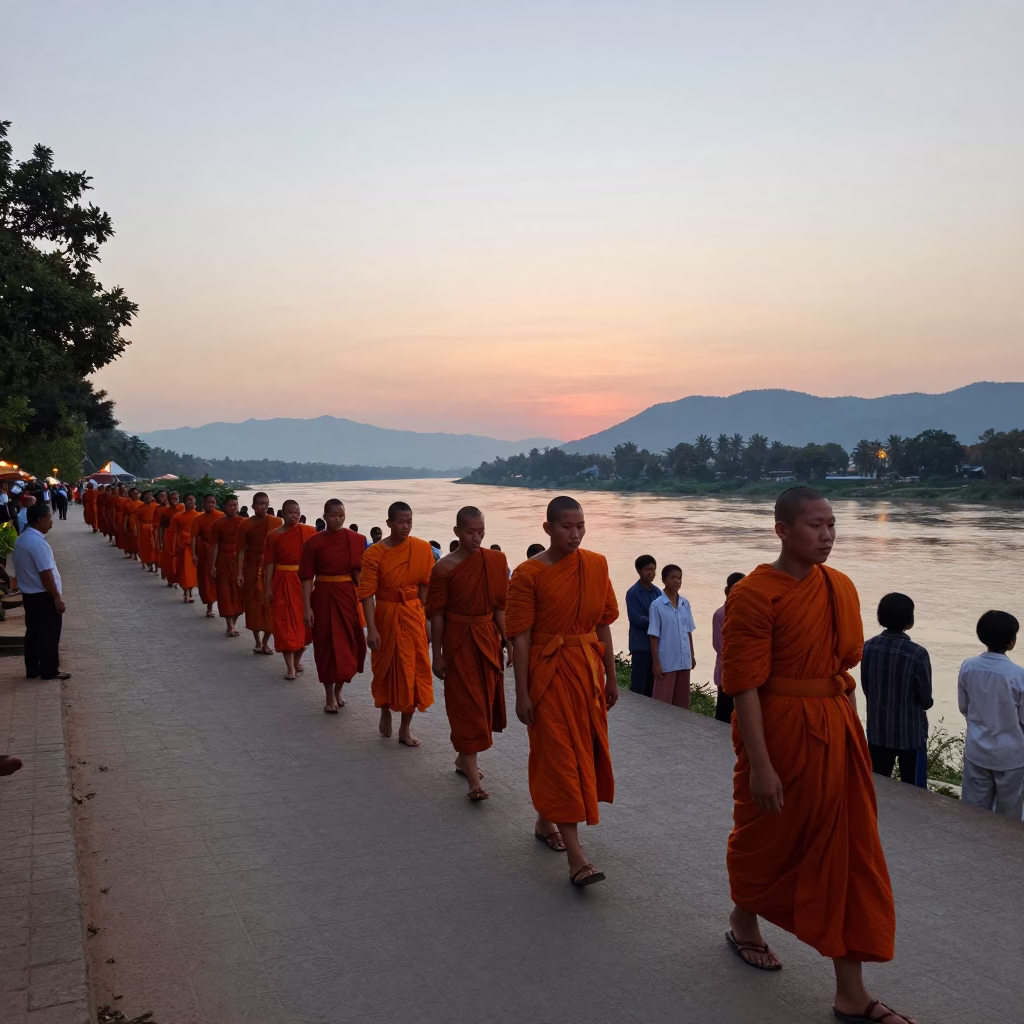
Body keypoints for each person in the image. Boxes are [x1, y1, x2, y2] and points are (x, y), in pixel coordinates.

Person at [721, 487, 910, 1024]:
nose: (826, 535)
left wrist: (851, 732)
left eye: (831, 525)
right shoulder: (756, 595)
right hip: (779, 730)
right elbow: (743, 686)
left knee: (847, 852)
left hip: (836, 726)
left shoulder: (840, 586)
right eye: (814, 526)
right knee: (768, 839)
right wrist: (760, 764)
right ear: (782, 529)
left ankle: (850, 991)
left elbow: (844, 664)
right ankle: (744, 919)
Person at [507, 496, 619, 886]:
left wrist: (612, 675)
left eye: (581, 526)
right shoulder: (527, 574)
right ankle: (577, 857)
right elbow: (520, 638)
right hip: (548, 674)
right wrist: (521, 693)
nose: (575, 534)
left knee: (581, 750)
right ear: (548, 529)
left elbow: (603, 625)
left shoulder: (596, 564)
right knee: (557, 756)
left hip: (586, 672)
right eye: (567, 527)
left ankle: (544, 819)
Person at [426, 506, 509, 801]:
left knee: (484, 704)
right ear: (457, 532)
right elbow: (437, 615)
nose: (477, 538)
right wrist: (437, 654)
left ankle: (464, 760)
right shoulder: (444, 568)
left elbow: (500, 609)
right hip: (458, 641)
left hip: (487, 641)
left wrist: (508, 642)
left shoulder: (496, 562)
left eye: (481, 531)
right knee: (466, 706)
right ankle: (474, 780)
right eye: (471, 532)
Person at [357, 501, 433, 744]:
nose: (405, 526)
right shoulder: (375, 553)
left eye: (409, 521)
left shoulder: (421, 548)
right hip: (386, 614)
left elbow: (426, 587)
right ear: (389, 523)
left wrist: (425, 619)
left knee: (414, 670)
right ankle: (385, 710)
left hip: (413, 615)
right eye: (400, 521)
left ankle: (406, 728)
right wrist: (371, 629)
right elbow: (366, 593)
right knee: (386, 668)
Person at [300, 500, 367, 710]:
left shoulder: (356, 539)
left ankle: (339, 689)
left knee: (351, 645)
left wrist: (368, 601)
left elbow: (359, 573)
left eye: (341, 515)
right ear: (324, 516)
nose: (337, 520)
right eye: (333, 515)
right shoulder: (313, 543)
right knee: (326, 646)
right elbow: (306, 578)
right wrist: (306, 607)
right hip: (323, 597)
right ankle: (329, 695)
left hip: (348, 596)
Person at [860, 593, 933, 788]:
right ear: (910, 620)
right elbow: (926, 699)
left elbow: (866, 687)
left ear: (880, 617)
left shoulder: (868, 647)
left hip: (877, 732)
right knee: (914, 790)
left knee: (877, 787)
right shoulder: (917, 653)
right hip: (910, 735)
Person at [957, 610, 1024, 818]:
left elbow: (964, 707)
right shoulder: (1018, 675)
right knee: (1009, 814)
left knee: (974, 811)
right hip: (1011, 756)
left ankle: (973, 848)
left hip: (977, 749)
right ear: (1011, 642)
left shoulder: (968, 666)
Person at [11, 504, 69, 681]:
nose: (51, 522)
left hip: (30, 595)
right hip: (42, 595)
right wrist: (56, 597)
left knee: (34, 632)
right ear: (40, 519)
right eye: (49, 518)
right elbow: (46, 574)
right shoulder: (37, 543)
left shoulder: (22, 539)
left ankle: (33, 668)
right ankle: (49, 669)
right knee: (49, 633)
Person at [265, 500, 316, 680]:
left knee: (306, 624)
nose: (293, 515)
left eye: (296, 512)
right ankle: (290, 667)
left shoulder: (309, 532)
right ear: (282, 513)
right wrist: (268, 587)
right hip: (282, 581)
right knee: (285, 624)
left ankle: (297, 661)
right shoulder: (273, 536)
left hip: (304, 582)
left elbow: (315, 558)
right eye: (289, 512)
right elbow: (269, 563)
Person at [236, 492, 283, 655]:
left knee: (270, 604)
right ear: (253, 506)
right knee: (254, 604)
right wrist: (239, 573)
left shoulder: (277, 521)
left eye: (266, 503)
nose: (264, 507)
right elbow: (240, 550)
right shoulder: (245, 524)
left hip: (271, 566)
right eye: (260, 504)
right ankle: (257, 640)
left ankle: (265, 641)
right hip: (252, 566)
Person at [648, 564, 696, 708]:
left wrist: (691, 655)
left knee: (682, 704)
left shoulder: (684, 603)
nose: (677, 581)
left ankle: (679, 730)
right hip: (666, 661)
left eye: (679, 578)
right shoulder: (657, 605)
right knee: (663, 702)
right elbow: (653, 636)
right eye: (673, 578)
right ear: (664, 580)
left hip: (683, 659)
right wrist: (656, 663)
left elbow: (688, 631)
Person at [712, 572, 746, 723]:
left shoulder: (748, 613)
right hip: (727, 669)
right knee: (724, 713)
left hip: (744, 671)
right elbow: (719, 645)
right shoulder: (720, 614)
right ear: (728, 591)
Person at [209, 495, 246, 637]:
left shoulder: (243, 522)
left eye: (236, 505)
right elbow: (215, 545)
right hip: (223, 561)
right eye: (230, 505)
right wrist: (213, 565)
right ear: (224, 507)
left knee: (239, 593)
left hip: (239, 561)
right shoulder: (218, 524)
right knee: (225, 593)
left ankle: (234, 622)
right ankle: (230, 626)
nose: (234, 508)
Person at [625, 554, 661, 697]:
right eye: (647, 569)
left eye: (653, 569)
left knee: (652, 686)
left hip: (656, 645)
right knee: (638, 686)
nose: (651, 572)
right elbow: (636, 619)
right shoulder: (633, 593)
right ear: (639, 571)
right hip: (640, 644)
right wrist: (656, 621)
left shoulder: (657, 591)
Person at [190, 494, 224, 618]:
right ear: (203, 503)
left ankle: (223, 606)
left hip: (221, 551)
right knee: (207, 580)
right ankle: (210, 607)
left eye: (213, 502)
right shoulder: (198, 519)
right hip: (205, 551)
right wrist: (193, 554)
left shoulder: (221, 516)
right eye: (209, 502)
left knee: (221, 580)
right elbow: (193, 537)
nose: (211, 505)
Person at [169, 494, 199, 602]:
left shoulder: (199, 516)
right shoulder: (178, 517)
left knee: (191, 572)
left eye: (193, 500)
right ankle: (186, 593)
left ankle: (189, 592)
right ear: (184, 502)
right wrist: (173, 549)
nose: (191, 502)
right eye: (189, 500)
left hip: (195, 548)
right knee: (184, 571)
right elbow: (174, 534)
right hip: (183, 546)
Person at [157, 491, 184, 587]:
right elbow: (161, 527)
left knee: (179, 559)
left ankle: (178, 578)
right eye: (173, 498)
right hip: (169, 535)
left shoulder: (182, 509)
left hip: (180, 535)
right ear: (169, 500)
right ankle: (170, 578)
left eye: (177, 498)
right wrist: (160, 541)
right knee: (169, 559)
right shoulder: (165, 511)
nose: (175, 500)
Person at [133, 490, 159, 572]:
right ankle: (149, 564)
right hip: (144, 530)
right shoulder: (140, 508)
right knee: (146, 548)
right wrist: (136, 530)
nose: (149, 497)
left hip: (155, 530)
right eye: (147, 496)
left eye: (150, 495)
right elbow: (136, 520)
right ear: (143, 497)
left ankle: (156, 565)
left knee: (155, 547)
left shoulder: (157, 507)